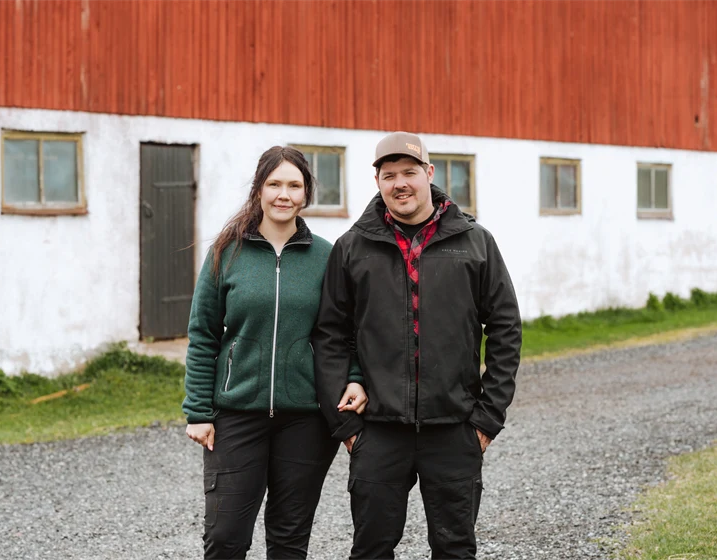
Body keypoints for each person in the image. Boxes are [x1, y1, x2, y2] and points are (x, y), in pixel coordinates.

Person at [314, 132, 522, 559]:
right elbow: (330, 334)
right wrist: (349, 429)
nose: (400, 184)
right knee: (371, 549)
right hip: (377, 429)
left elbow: (505, 327)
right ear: (377, 181)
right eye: (389, 175)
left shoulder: (476, 242)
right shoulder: (352, 247)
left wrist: (487, 418)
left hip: (454, 428)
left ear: (429, 173)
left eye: (409, 172)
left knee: (454, 548)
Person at [182, 146, 366, 560]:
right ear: (259, 190)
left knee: (288, 539)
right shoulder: (226, 253)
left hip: (306, 418)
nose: (284, 194)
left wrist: (355, 376)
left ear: (306, 194)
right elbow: (203, 334)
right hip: (236, 415)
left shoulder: (327, 256)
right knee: (226, 537)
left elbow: (346, 331)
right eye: (274, 184)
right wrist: (198, 410)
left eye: (294, 186)